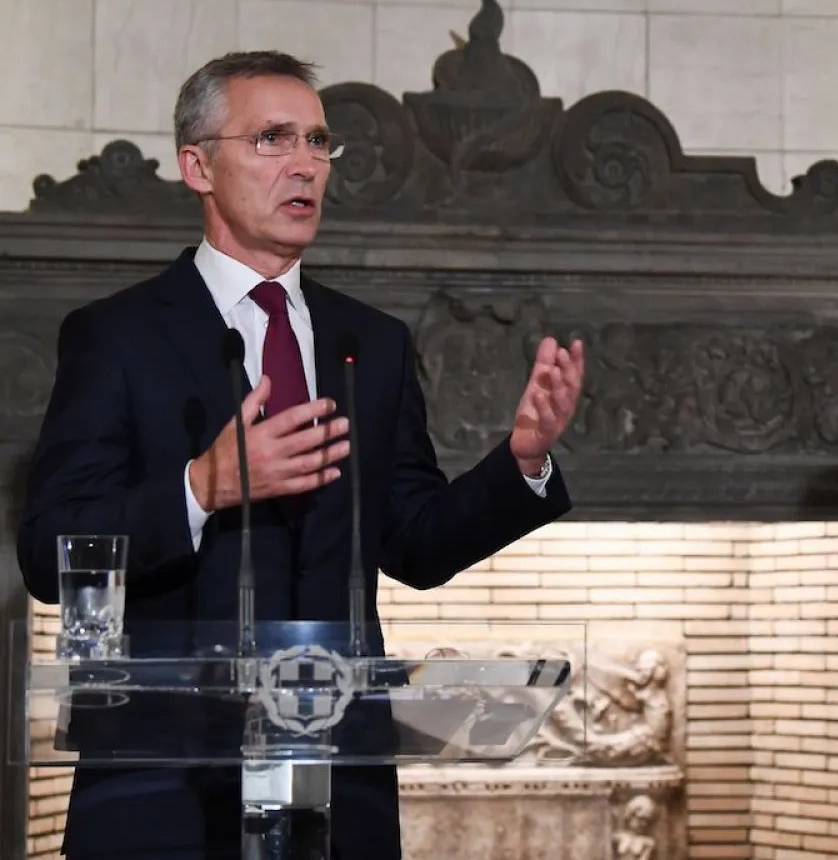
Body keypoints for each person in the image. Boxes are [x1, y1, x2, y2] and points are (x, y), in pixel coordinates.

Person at [16, 50, 586, 859]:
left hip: (337, 784)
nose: (305, 165)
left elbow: (416, 544)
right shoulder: (118, 336)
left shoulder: (372, 343)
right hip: (165, 788)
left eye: (318, 142)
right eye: (272, 139)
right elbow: (51, 551)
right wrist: (201, 486)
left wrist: (522, 463)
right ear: (197, 166)